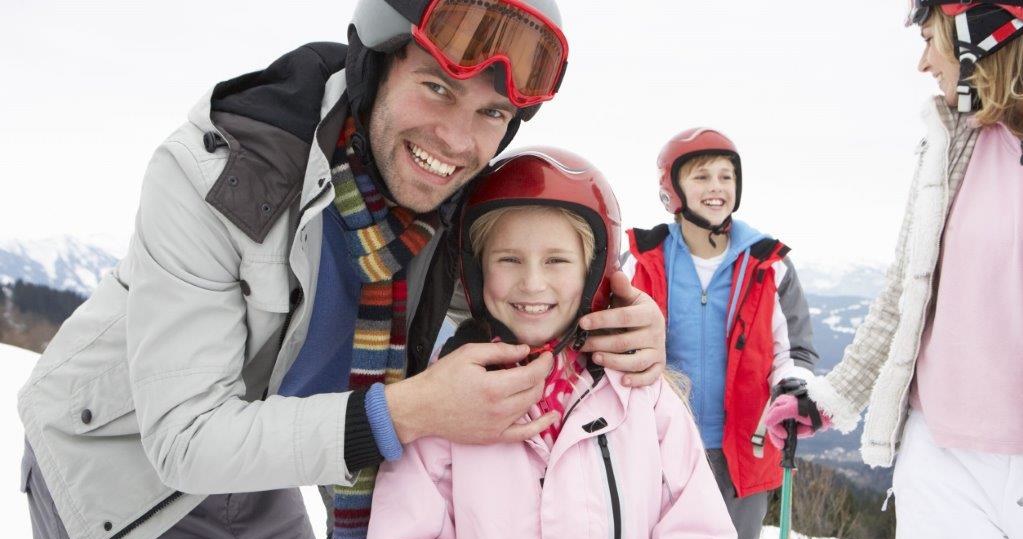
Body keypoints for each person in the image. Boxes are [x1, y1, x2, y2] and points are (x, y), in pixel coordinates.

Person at [17, 2, 670, 538]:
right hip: (118, 454)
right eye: (436, 88)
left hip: (261, 457)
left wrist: (610, 324)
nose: (454, 139)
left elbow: (516, 304)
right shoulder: (223, 174)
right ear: (374, 68)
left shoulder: (446, 212)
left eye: (490, 113)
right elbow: (186, 439)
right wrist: (408, 411)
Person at [367, 147, 737, 539]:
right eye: (508, 260)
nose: (532, 283)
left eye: (556, 261)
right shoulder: (445, 403)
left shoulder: (640, 396)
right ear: (476, 271)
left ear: (593, 272)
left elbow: (698, 523)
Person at [768, 1, 1023, 537]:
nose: (924, 63)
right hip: (942, 457)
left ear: (980, 38)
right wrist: (831, 399)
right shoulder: (951, 142)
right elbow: (903, 295)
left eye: (932, 40)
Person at [623, 128, 824, 539]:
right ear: (673, 191)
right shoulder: (641, 262)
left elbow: (796, 350)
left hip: (741, 450)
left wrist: (791, 386)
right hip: (656, 444)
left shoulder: (767, 264)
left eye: (726, 176)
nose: (716, 187)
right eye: (701, 177)